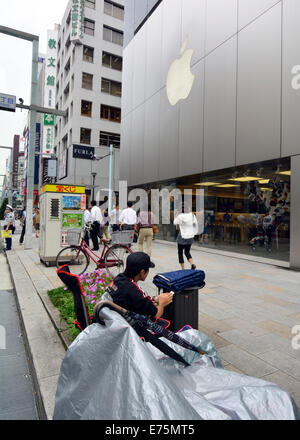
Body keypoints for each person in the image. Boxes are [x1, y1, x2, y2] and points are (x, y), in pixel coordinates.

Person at [107, 252, 173, 319]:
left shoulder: (118, 278)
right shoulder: (133, 291)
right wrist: (162, 303)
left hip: (112, 319)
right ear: (142, 272)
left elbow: (137, 300)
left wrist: (154, 299)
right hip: (126, 325)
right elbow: (156, 315)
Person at [174, 205, 198, 270]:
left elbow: (175, 222)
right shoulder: (193, 215)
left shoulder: (181, 216)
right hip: (190, 236)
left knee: (180, 252)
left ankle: (183, 269)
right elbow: (195, 224)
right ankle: (192, 264)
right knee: (187, 252)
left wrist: (177, 216)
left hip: (182, 236)